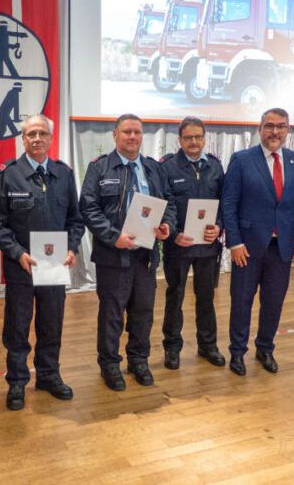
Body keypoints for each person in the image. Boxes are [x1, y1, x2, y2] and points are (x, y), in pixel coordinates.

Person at [0, 114, 84, 410]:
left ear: (51, 138)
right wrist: (17, 253)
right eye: (31, 134)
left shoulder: (63, 174)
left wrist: (72, 248)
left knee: (51, 322)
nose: (37, 138)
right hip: (22, 265)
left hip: (55, 263)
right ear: (23, 139)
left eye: (42, 133)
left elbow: (75, 220)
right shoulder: (8, 173)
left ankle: (48, 375)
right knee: (17, 326)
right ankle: (17, 382)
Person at [79, 114, 176, 391]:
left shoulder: (153, 168)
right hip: (113, 255)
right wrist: (113, 237)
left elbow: (168, 204)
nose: (132, 137)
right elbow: (88, 208)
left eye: (137, 132)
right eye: (126, 132)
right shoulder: (99, 168)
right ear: (115, 135)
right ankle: (109, 364)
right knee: (112, 313)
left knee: (143, 312)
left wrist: (167, 226)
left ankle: (139, 360)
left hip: (145, 255)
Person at [222, 107, 294, 376]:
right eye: (269, 126)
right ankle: (237, 352)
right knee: (241, 302)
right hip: (247, 248)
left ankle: (265, 348)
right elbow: (229, 203)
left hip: (282, 248)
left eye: (280, 126)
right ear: (260, 129)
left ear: (288, 130)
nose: (274, 131)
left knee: (273, 303)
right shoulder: (242, 159)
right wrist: (234, 243)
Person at [160, 116, 225, 370]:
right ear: (180, 139)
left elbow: (224, 203)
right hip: (178, 246)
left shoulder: (216, 167)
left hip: (208, 247)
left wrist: (219, 226)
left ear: (204, 138)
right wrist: (175, 234)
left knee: (206, 297)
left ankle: (208, 346)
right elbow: (165, 204)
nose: (194, 142)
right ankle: (172, 347)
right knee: (174, 296)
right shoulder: (166, 167)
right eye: (188, 137)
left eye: (198, 137)